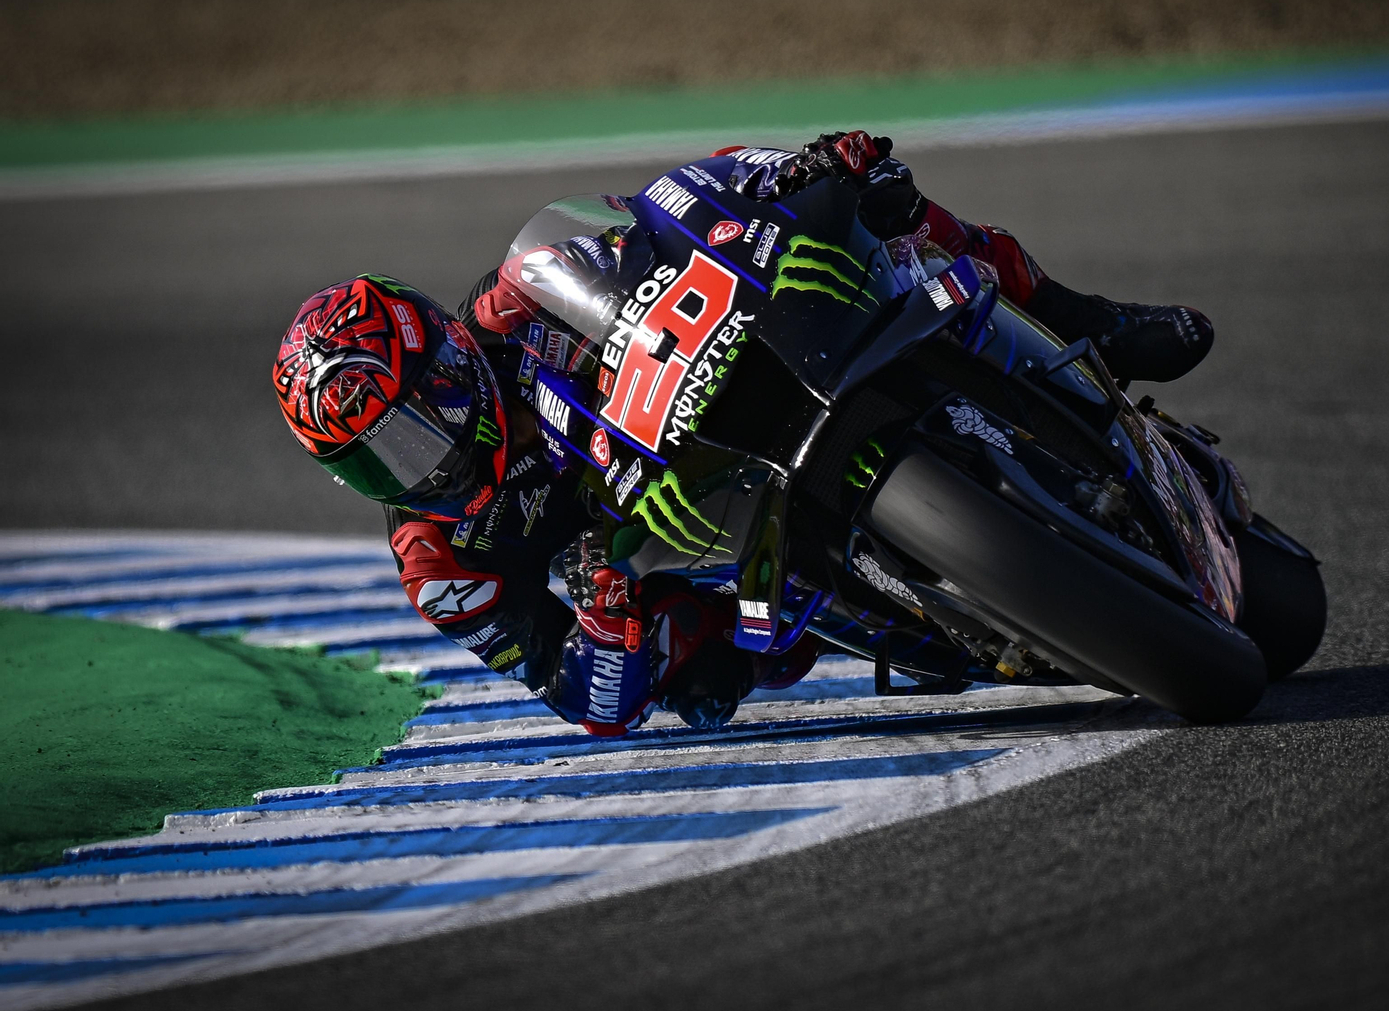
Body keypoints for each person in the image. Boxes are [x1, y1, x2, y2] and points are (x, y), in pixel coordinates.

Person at [272, 131, 1215, 736]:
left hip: (715, 395)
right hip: (678, 559)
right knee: (698, 683)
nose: (406, 470)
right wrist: (606, 617)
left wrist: (781, 174)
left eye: (401, 433)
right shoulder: (437, 557)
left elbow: (668, 211)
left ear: (440, 365)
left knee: (882, 206)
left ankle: (1085, 318)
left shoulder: (517, 302)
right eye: (367, 465)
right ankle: (902, 600)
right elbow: (580, 700)